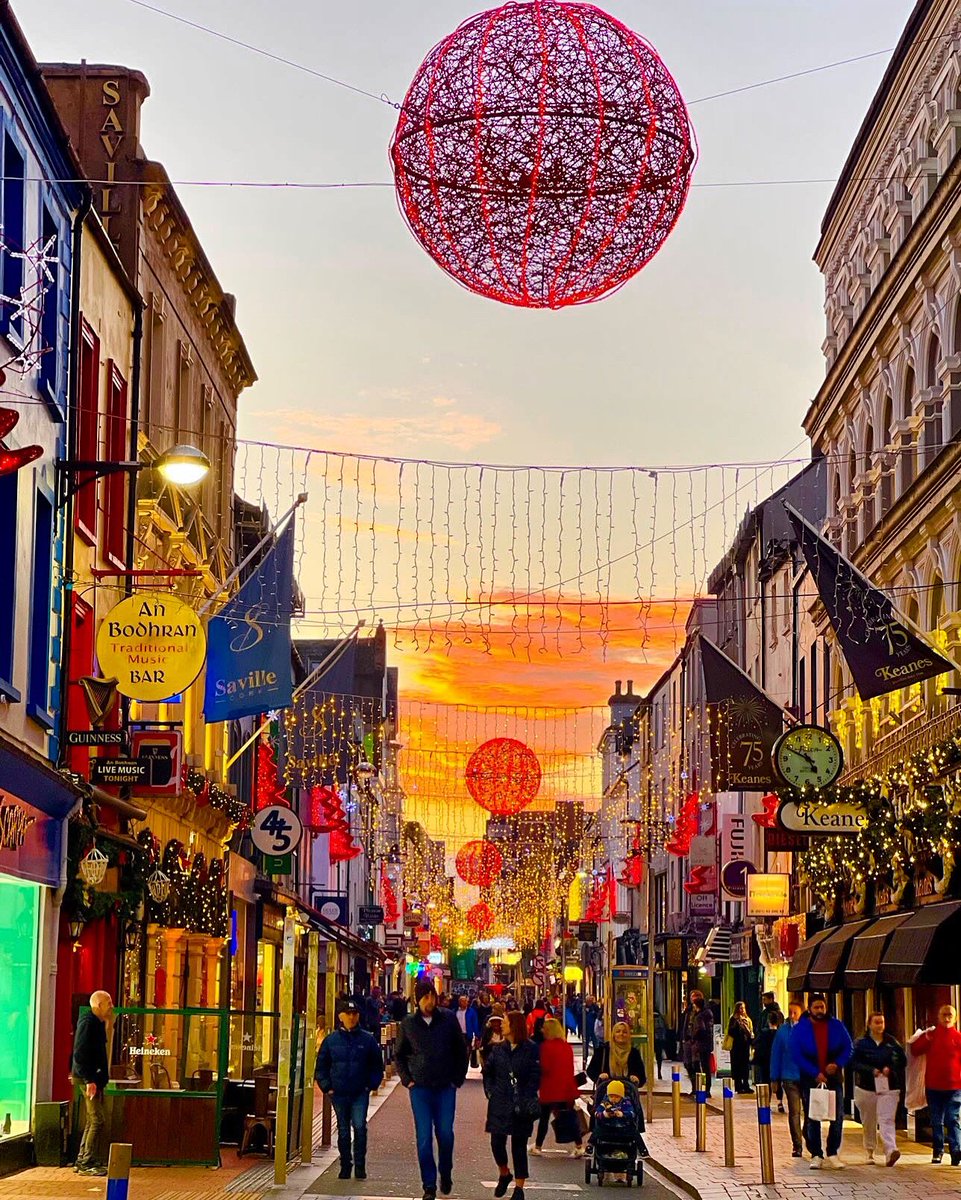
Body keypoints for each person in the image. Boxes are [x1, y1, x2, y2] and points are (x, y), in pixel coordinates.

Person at [396, 979, 470, 1200]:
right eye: (425, 997)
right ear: (417, 1000)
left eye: (433, 996)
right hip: (420, 1088)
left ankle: (445, 1171)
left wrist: (458, 1078)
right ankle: (429, 1185)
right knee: (424, 1137)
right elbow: (399, 1054)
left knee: (445, 1134)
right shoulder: (408, 1023)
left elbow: (460, 1049)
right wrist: (407, 1079)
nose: (430, 1001)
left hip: (445, 1086)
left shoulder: (447, 1019)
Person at [315, 999, 385, 1179]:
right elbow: (321, 1066)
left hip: (360, 1092)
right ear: (341, 1016)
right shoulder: (331, 1041)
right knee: (344, 1130)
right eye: (348, 1014)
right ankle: (345, 1165)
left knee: (360, 1127)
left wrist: (371, 1084)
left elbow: (377, 1065)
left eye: (354, 1014)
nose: (352, 1017)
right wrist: (327, 1087)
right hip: (338, 1093)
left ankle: (360, 1166)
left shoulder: (367, 1040)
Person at [790, 992, 853, 1170]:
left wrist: (838, 1063)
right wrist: (814, 1072)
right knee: (813, 1116)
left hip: (833, 1077)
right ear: (809, 1009)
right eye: (816, 1007)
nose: (820, 1010)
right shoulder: (800, 1029)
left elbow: (848, 1047)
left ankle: (833, 1151)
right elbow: (796, 1053)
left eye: (822, 1007)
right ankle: (816, 1153)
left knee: (837, 1115)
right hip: (810, 1078)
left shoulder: (836, 1025)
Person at [483, 1010, 540, 1200]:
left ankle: (519, 1188)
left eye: (505, 1022)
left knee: (519, 1145)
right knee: (496, 1142)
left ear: (514, 1026)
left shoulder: (531, 1049)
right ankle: (504, 1172)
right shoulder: (498, 1049)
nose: (502, 1025)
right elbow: (488, 1072)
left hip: (521, 1103)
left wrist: (528, 1095)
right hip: (499, 1101)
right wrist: (490, 1092)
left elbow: (535, 1074)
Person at [850, 1012, 905, 1167]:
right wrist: (870, 1070)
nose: (880, 1025)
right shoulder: (861, 1043)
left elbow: (902, 1060)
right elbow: (853, 1063)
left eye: (882, 1022)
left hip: (889, 1087)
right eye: (877, 1022)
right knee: (869, 1121)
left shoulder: (891, 1042)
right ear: (869, 1024)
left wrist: (891, 1068)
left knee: (887, 1119)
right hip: (866, 1088)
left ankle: (890, 1150)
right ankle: (869, 1151)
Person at [909, 1002, 961, 1165]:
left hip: (955, 1087)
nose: (946, 1018)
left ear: (955, 1018)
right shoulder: (931, 1035)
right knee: (936, 1120)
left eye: (950, 1015)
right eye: (944, 1015)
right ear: (938, 1017)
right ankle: (937, 1151)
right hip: (933, 1086)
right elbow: (915, 1049)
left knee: (953, 1119)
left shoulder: (958, 1037)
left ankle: (956, 1151)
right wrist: (925, 1037)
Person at [71, 990, 113, 1177]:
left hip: (93, 1078)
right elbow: (80, 1053)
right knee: (97, 1119)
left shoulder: (96, 1022)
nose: (111, 1006)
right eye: (108, 1003)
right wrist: (89, 1080)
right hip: (89, 1079)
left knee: (93, 1119)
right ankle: (85, 1162)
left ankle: (84, 1158)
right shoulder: (88, 1023)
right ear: (98, 1005)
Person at [532, 1017, 584, 1157]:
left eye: (544, 1028)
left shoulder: (546, 1047)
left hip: (550, 1088)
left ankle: (538, 1146)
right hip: (566, 1088)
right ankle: (579, 1145)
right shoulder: (566, 1046)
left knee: (544, 1118)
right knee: (570, 1116)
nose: (542, 1030)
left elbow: (545, 1068)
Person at [771, 999, 804, 1157]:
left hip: (807, 1076)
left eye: (795, 1012)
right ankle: (797, 1145)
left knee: (811, 1112)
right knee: (794, 1112)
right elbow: (776, 1054)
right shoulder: (783, 1031)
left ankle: (809, 1137)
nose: (792, 1015)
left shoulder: (808, 1029)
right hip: (789, 1077)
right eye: (790, 1012)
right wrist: (774, 1078)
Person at [595, 1078, 635, 1183]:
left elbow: (632, 1113)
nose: (613, 1099)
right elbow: (597, 1113)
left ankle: (642, 1149)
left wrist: (622, 1114)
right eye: (611, 1096)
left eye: (616, 1097)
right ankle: (591, 1144)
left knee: (635, 1134)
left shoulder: (626, 1103)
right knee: (597, 1130)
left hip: (623, 1129)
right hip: (607, 1129)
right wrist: (605, 1114)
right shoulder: (605, 1103)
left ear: (621, 1096)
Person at [586, 1020, 646, 1088]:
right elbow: (590, 1070)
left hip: (628, 1092)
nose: (621, 1034)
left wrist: (637, 1079)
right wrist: (599, 1077)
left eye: (625, 1032)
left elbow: (642, 1076)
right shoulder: (603, 1050)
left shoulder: (634, 1053)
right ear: (613, 1034)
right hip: (606, 1092)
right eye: (618, 1031)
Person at [681, 992, 714, 1098]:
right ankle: (695, 1087)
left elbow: (703, 1029)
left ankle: (705, 1088)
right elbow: (686, 1024)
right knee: (690, 1064)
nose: (693, 1000)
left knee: (704, 1066)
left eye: (696, 998)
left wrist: (695, 1037)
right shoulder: (690, 1011)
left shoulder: (704, 1013)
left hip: (700, 1043)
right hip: (691, 1042)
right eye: (692, 998)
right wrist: (685, 1037)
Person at [753, 1009, 782, 1100]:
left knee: (765, 1081)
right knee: (778, 1081)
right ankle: (779, 1101)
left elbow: (756, 1043)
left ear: (768, 1020)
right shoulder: (780, 1033)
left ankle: (766, 1101)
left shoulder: (763, 1033)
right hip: (777, 1061)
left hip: (765, 1060)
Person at [727, 1001, 755, 1094]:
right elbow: (730, 1032)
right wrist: (737, 1023)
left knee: (745, 1066)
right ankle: (738, 1086)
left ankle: (746, 1085)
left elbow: (751, 1032)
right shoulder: (733, 1019)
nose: (742, 1010)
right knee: (737, 1066)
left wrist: (746, 1026)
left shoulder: (747, 1019)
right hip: (736, 1046)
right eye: (740, 1008)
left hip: (745, 1045)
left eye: (743, 1008)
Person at [653, 1009, 668, 1079]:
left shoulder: (654, 1018)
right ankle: (659, 1072)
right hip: (659, 1039)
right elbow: (663, 1030)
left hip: (654, 1039)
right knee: (659, 1057)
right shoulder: (661, 1018)